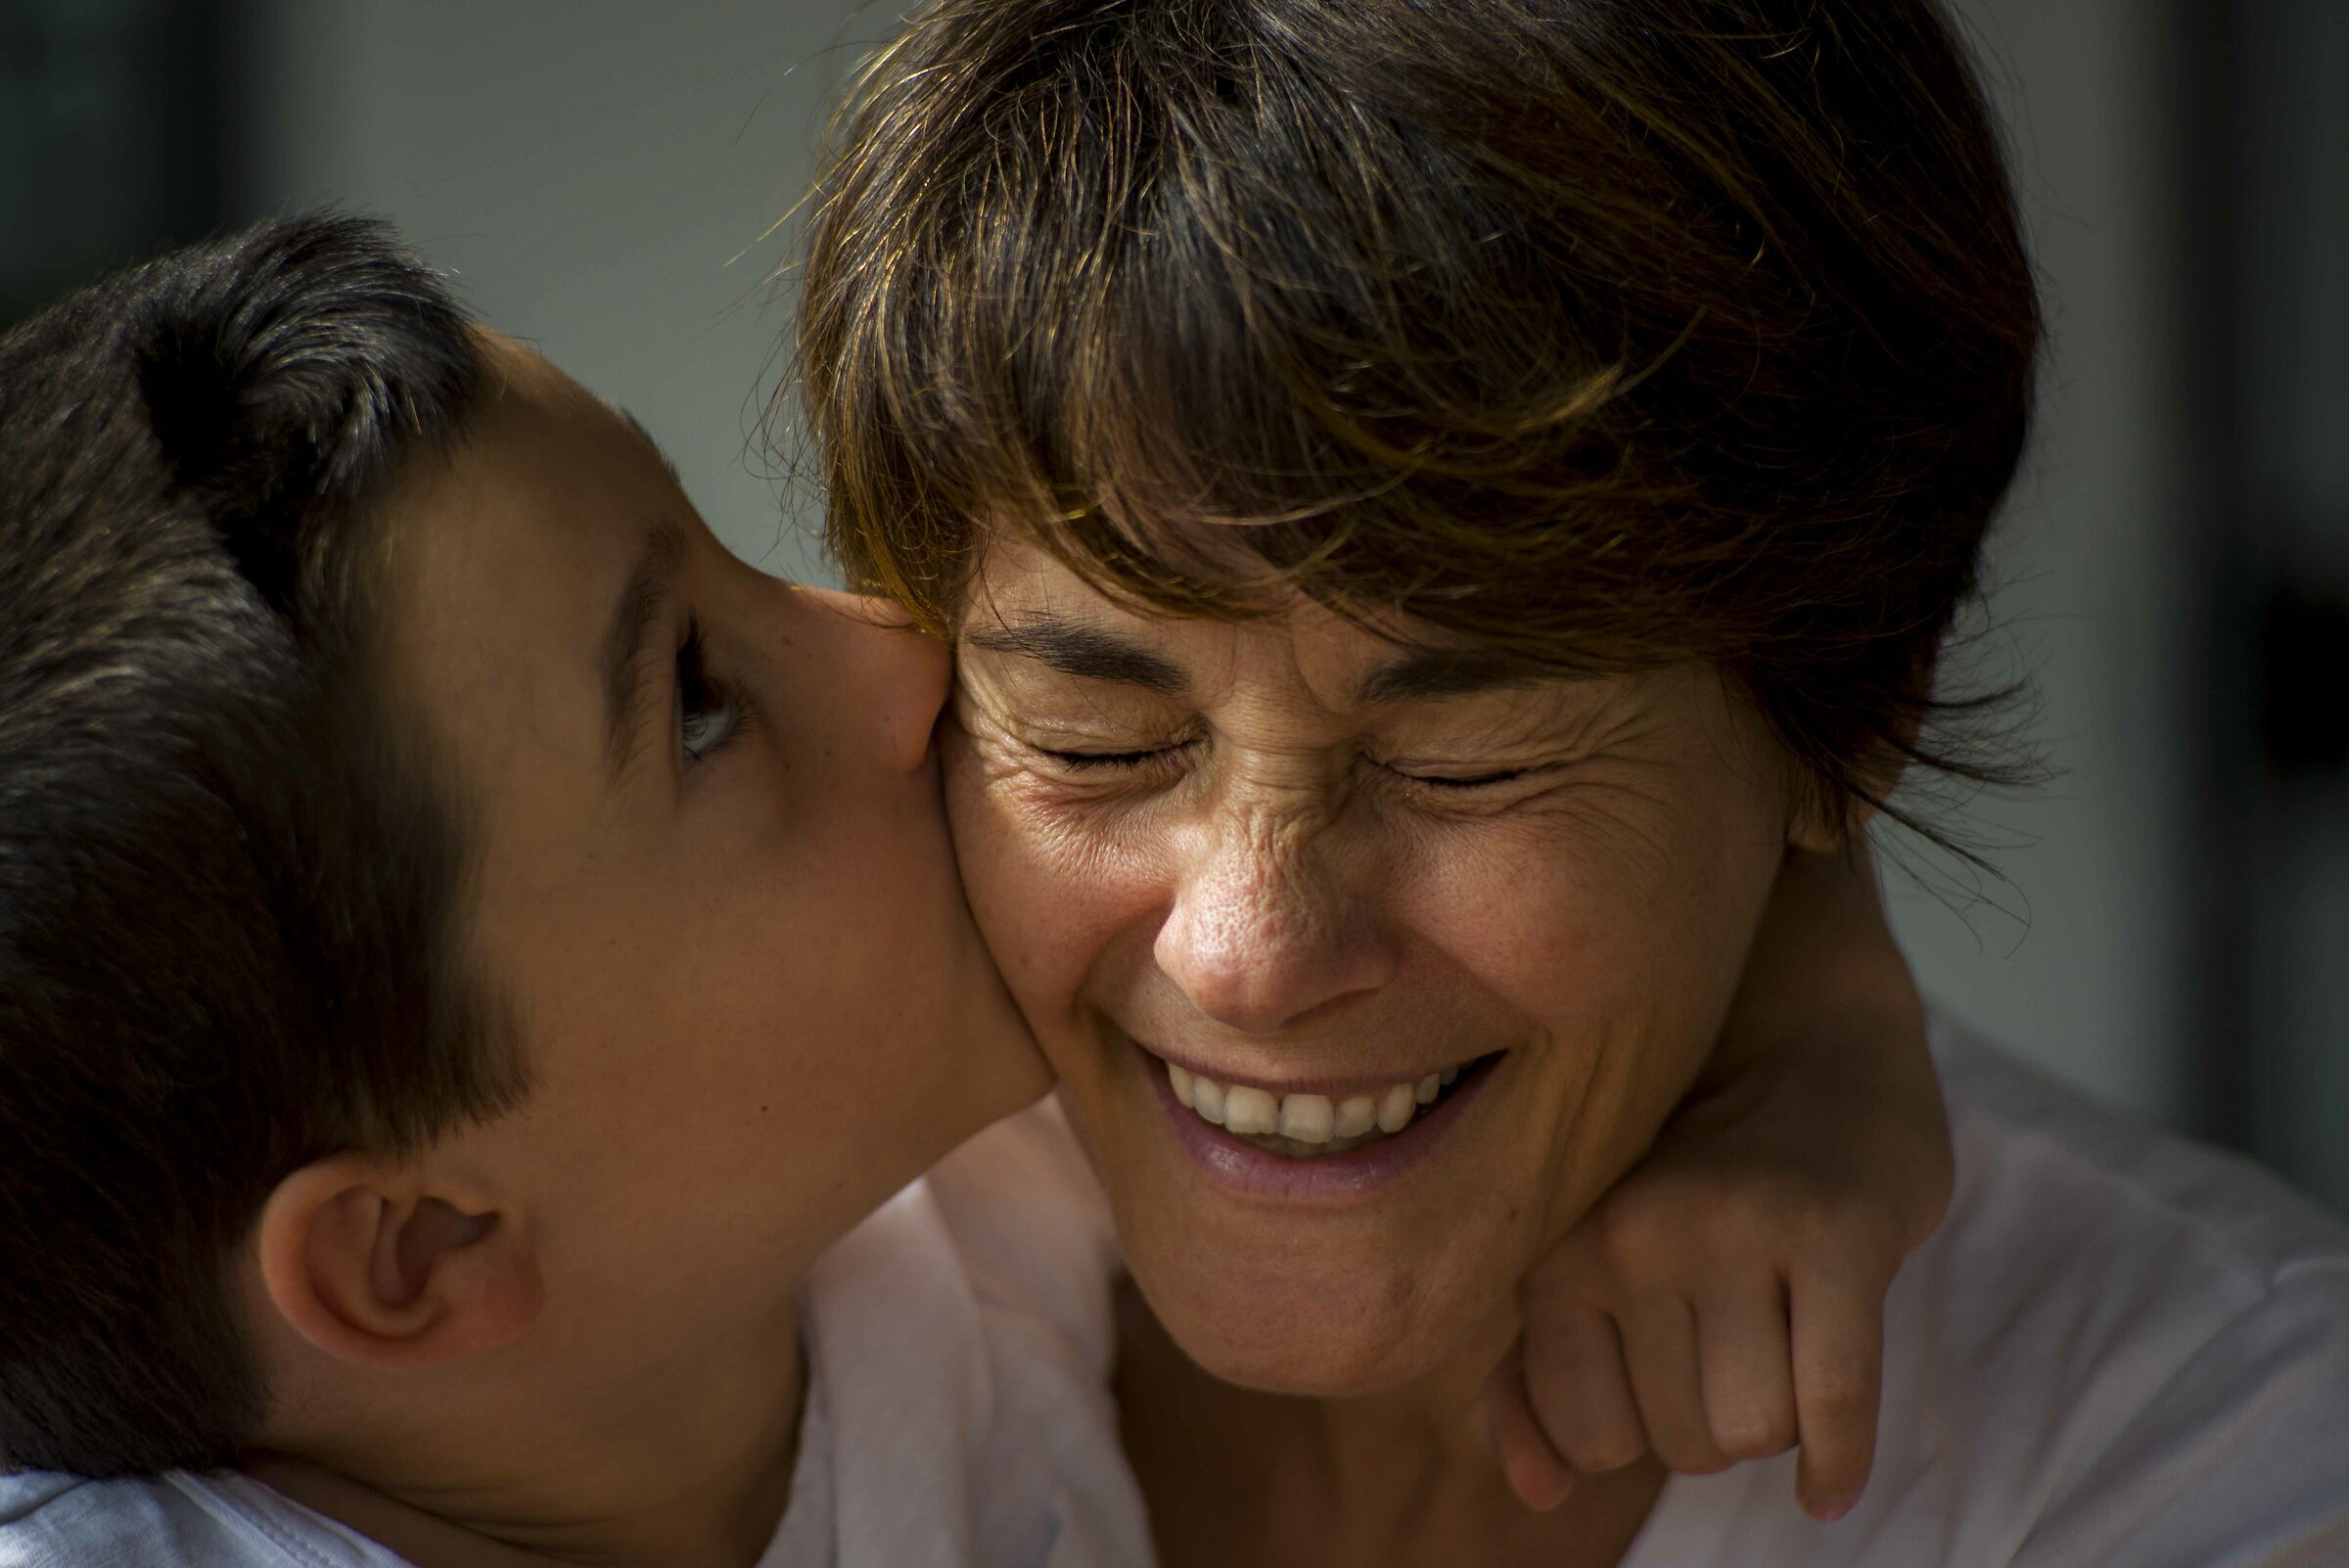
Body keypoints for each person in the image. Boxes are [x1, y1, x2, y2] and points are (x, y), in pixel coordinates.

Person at [0, 216, 1949, 1568]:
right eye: (698, 708)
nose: (901, 651)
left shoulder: (926, 1255)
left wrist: (1818, 1044)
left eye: (724, 555)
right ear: (419, 1255)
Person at [797, 0, 2349, 1563]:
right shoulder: (768, 1287)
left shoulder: (2214, 1436)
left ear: (1860, 696)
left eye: (1464, 760)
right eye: (1097, 741)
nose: (1247, 951)